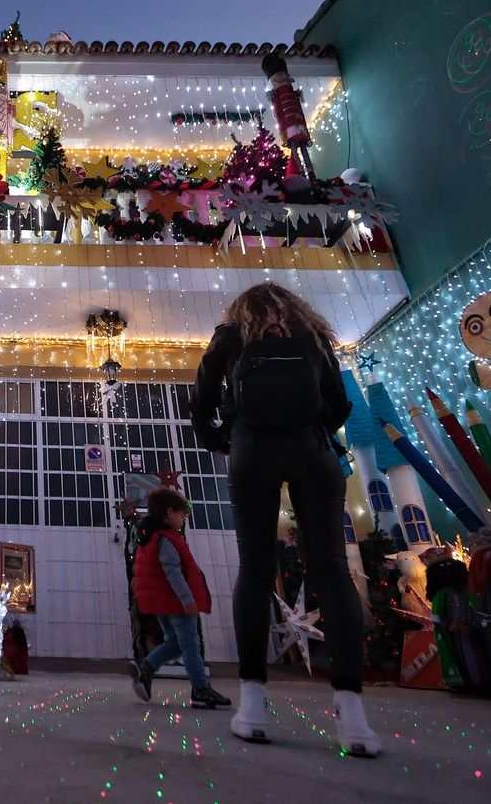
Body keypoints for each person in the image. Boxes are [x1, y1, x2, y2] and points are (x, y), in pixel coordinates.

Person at [192, 282, 381, 756]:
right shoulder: (313, 335)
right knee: (333, 570)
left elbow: (200, 398)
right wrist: (311, 430)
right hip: (312, 450)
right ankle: (353, 717)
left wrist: (222, 437)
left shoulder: (232, 335)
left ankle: (252, 706)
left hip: (251, 449)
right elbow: (340, 404)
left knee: (254, 569)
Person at [127, 487, 230, 710]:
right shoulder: (165, 538)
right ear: (170, 512)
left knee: (174, 643)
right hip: (176, 602)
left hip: (162, 603)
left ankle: (146, 668)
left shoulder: (149, 537)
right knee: (191, 644)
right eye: (182, 516)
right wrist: (187, 600)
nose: (183, 521)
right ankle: (201, 689)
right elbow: (172, 570)